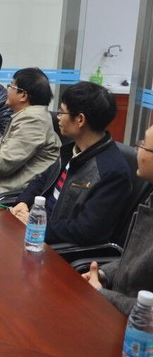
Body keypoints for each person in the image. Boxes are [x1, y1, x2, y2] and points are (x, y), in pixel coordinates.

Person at [10, 82, 132, 245]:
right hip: (36, 232)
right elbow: (43, 179)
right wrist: (24, 201)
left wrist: (37, 225)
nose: (58, 117)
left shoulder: (112, 172)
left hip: (56, 247)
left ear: (80, 119)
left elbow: (87, 231)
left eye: (62, 112)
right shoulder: (72, 149)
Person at [84, 123, 153, 315]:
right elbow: (137, 262)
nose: (137, 150)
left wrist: (102, 294)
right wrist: (105, 274)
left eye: (143, 146)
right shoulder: (151, 198)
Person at [0, 67, 60, 196]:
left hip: (11, 193)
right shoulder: (24, 115)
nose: (7, 90)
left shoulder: (33, 121)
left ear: (23, 95)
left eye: (11, 86)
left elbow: (4, 162)